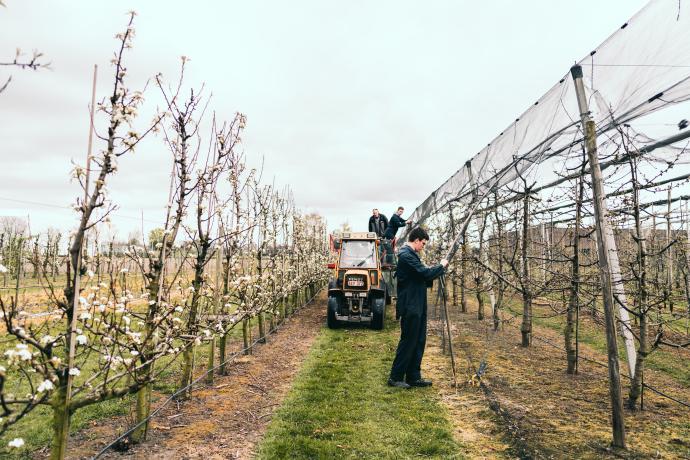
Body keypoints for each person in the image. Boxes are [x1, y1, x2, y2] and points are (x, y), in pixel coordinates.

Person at [388, 226, 448, 389]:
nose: (423, 246)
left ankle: (413, 376)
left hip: (418, 303)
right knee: (409, 340)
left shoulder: (411, 255)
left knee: (419, 340)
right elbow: (424, 273)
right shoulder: (406, 255)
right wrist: (441, 267)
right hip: (410, 305)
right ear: (416, 240)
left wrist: (436, 270)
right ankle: (395, 377)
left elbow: (422, 276)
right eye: (423, 243)